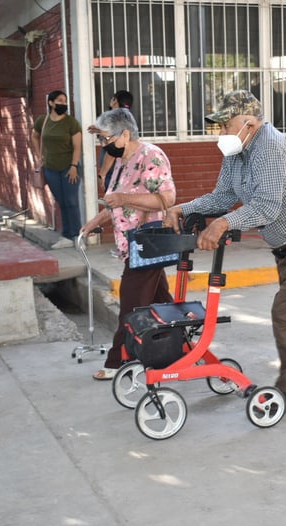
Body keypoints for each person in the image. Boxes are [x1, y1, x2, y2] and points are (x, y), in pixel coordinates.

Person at [163, 90, 286, 413]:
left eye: (226, 125)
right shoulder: (237, 151)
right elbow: (222, 196)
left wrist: (222, 225)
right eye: (219, 126)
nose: (221, 132)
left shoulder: (271, 147)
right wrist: (183, 208)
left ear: (249, 122)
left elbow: (267, 207)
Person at [79, 108, 176, 381]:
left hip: (148, 244)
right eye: (100, 141)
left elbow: (167, 198)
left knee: (130, 306)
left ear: (125, 134)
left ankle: (117, 360)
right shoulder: (123, 159)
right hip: (131, 245)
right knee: (160, 303)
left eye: (106, 139)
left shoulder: (151, 156)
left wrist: (121, 199)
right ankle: (179, 348)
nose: (103, 145)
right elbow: (117, 201)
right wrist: (96, 220)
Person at [32, 90, 82, 249]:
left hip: (69, 167)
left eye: (65, 101)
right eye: (60, 100)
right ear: (51, 103)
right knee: (61, 202)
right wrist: (39, 155)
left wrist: (74, 166)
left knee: (72, 202)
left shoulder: (71, 123)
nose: (64, 103)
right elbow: (34, 135)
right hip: (51, 168)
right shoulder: (43, 120)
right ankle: (67, 236)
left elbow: (77, 146)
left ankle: (78, 236)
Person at [87, 90, 134, 191]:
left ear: (115, 100)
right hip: (124, 168)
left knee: (113, 202)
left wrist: (102, 175)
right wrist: (99, 130)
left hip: (113, 170)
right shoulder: (127, 117)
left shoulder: (113, 117)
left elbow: (114, 149)